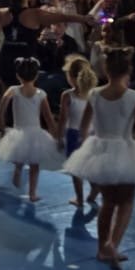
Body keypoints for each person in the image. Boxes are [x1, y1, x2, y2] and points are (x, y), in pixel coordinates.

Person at [67, 48, 135, 264]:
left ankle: (101, 248)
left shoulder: (95, 94)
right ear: (129, 70)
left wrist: (84, 145)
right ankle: (113, 243)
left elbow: (84, 126)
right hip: (125, 149)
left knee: (107, 202)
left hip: (100, 148)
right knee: (126, 201)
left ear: (105, 69)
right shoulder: (134, 97)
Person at [0, 57, 63, 203]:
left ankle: (18, 171)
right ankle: (32, 193)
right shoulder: (41, 93)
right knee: (34, 164)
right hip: (35, 132)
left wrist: (0, 117)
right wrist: (55, 134)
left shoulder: (13, 90)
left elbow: (3, 102)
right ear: (37, 75)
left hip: (18, 131)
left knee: (19, 154)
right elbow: (48, 117)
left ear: (17, 75)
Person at [59, 55, 98, 208]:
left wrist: (59, 135)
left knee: (75, 167)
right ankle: (95, 189)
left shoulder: (68, 95)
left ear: (72, 77)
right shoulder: (94, 94)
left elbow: (63, 118)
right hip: (92, 134)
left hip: (74, 134)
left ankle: (79, 198)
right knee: (88, 164)